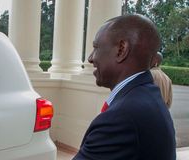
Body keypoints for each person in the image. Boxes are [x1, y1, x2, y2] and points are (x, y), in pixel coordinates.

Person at [73, 14, 176, 160]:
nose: (90, 58)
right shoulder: (148, 95)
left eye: (96, 47)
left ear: (121, 50)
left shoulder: (121, 118)